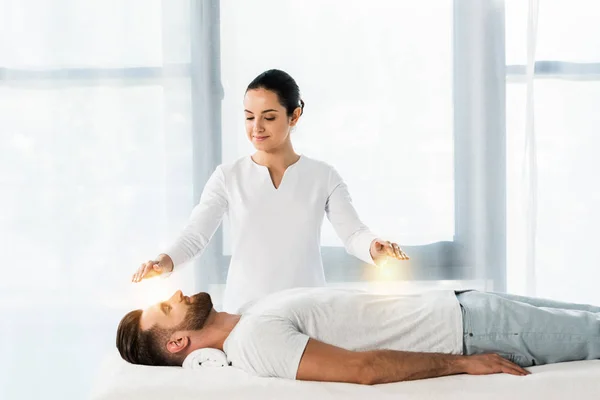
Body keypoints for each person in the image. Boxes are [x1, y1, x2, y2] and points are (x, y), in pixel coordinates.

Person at [130, 69, 409, 313]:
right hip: (245, 313)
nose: (256, 128)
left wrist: (374, 247)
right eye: (249, 117)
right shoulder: (228, 177)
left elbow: (353, 233)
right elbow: (194, 237)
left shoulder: (322, 176)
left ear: (294, 116)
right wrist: (162, 263)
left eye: (269, 117)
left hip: (308, 311)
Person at [116, 287, 600, 385]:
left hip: (468, 303)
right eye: (167, 308)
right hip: (474, 329)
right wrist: (462, 363)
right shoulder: (255, 343)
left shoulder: (247, 313)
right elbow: (361, 370)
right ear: (178, 343)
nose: (175, 293)